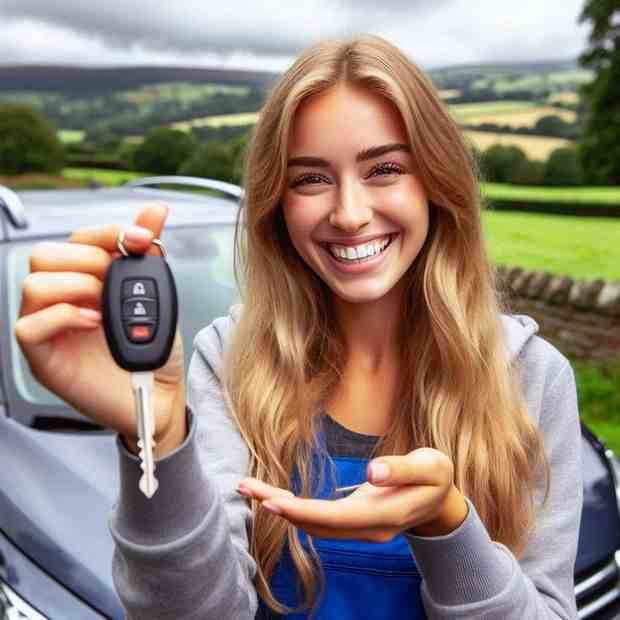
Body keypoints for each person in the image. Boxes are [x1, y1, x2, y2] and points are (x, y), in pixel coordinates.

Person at [15, 34, 582, 619]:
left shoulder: (533, 378)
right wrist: (154, 437)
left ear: (437, 183)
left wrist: (448, 526)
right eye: (310, 179)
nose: (350, 213)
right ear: (276, 206)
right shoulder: (226, 364)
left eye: (385, 169)